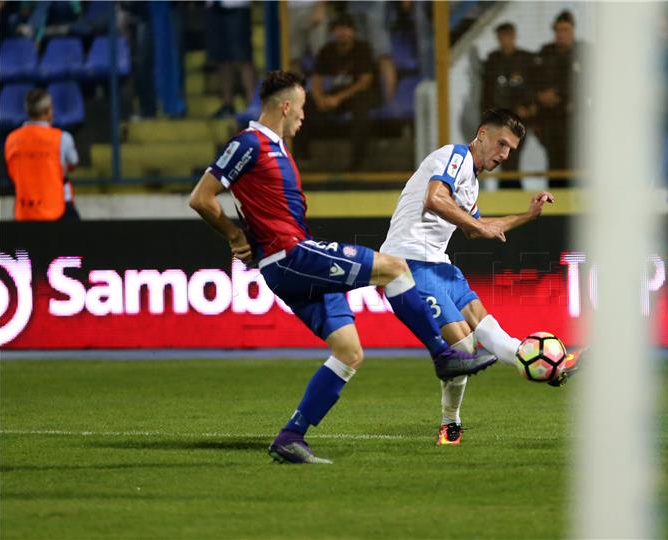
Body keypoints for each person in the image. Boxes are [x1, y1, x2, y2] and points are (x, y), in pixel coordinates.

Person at [188, 70, 494, 464]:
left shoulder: (277, 149)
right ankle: (442, 354)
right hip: (291, 255)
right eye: (301, 108)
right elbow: (202, 197)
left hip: (289, 260)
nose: (303, 116)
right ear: (285, 107)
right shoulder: (250, 143)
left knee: (349, 352)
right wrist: (234, 235)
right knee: (395, 268)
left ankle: (290, 437)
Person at [379, 108, 585, 445]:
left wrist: (528, 216)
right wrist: (477, 225)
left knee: (487, 329)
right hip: (407, 264)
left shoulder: (471, 183)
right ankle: (451, 423)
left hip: (439, 266)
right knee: (463, 345)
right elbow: (435, 199)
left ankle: (552, 367)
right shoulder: (455, 156)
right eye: (501, 144)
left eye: (510, 150)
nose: (504, 154)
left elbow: (479, 230)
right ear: (482, 134)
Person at [296, 13, 379, 170]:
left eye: (347, 29)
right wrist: (320, 98)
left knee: (361, 109)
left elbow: (364, 83)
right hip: (335, 96)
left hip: (358, 95)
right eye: (339, 29)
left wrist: (337, 98)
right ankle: (301, 156)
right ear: (333, 32)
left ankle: (357, 163)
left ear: (353, 32)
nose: (342, 33)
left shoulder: (362, 49)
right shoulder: (327, 50)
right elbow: (316, 80)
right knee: (303, 104)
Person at [4, 88, 80, 221]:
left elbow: (11, 171)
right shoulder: (62, 138)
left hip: (24, 211)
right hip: (57, 210)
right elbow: (73, 163)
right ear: (48, 111)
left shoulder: (11, 140)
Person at [533, 10, 588, 187]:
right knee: (555, 165)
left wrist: (558, 94)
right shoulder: (545, 52)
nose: (561, 34)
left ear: (572, 31)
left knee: (577, 163)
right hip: (551, 121)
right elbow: (535, 79)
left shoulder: (583, 52)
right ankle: (555, 208)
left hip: (577, 120)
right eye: (558, 30)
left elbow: (586, 82)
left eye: (565, 30)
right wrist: (540, 96)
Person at [481, 22, 538, 187]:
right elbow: (489, 93)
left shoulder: (525, 59)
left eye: (507, 36)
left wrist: (529, 107)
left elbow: (531, 87)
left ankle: (511, 195)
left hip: (521, 121)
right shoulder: (493, 61)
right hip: (500, 120)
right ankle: (508, 196)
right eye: (501, 37)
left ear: (513, 36)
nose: (504, 41)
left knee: (511, 158)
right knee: (503, 160)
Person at [205, 1, 257, 118]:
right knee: (221, 58)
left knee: (243, 57)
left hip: (236, 6)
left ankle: (253, 102)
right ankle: (227, 104)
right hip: (214, 7)